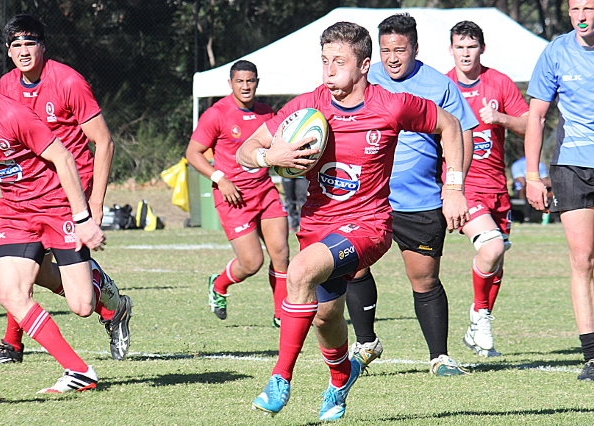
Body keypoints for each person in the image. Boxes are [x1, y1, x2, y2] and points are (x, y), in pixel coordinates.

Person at [236, 22, 467, 420]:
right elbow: (245, 149)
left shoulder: (392, 105)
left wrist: (454, 186)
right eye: (324, 61)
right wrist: (268, 158)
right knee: (325, 317)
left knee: (300, 272)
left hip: (368, 226)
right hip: (317, 226)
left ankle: (280, 379)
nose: (328, 70)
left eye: (338, 62)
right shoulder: (308, 106)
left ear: (364, 65)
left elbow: (449, 125)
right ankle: (341, 377)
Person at [0, 15, 133, 364]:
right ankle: (12, 345)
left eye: (30, 43)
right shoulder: (5, 88)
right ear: (8, 52)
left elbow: (103, 142)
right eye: (16, 44)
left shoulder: (68, 82)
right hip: (28, 194)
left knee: (80, 306)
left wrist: (96, 204)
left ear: (43, 46)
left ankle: (111, 303)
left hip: (68, 193)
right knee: (20, 270)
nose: (24, 51)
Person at [0, 49, 104, 392]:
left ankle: (98, 280)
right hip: (15, 212)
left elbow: (64, 159)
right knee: (10, 294)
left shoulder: (11, 113)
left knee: (82, 306)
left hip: (55, 205)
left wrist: (82, 217)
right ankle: (79, 372)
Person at [345, 13, 477, 376]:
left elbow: (463, 134)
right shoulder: (363, 82)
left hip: (419, 202)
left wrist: (455, 189)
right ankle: (366, 343)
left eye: (399, 50)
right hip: (367, 200)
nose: (391, 58)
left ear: (415, 48)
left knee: (424, 279)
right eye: (385, 50)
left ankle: (440, 357)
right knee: (353, 268)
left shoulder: (439, 85)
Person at [446, 20, 529, 357]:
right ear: (450, 50)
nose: (466, 53)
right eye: (459, 47)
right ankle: (480, 315)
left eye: (471, 47)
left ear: (482, 48)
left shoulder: (499, 82)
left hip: (498, 187)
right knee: (493, 248)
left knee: (496, 257)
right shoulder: (443, 85)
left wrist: (501, 119)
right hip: (464, 188)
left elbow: (528, 124)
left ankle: (477, 323)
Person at [185, 60, 288, 325]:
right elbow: (192, 154)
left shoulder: (268, 114)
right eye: (240, 81)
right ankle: (218, 285)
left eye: (250, 81)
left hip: (264, 191)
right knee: (252, 263)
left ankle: (282, 314)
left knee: (281, 253)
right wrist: (220, 178)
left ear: (257, 82)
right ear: (230, 84)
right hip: (233, 198)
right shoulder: (217, 114)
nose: (245, 86)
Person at [524, 0, 594, 381]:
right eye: (575, 8)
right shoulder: (556, 51)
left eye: (590, 7)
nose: (582, 16)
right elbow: (536, 115)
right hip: (572, 165)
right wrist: (533, 176)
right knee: (582, 259)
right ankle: (592, 356)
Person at [511, 155, 550, 223]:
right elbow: (521, 182)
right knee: (527, 189)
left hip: (539, 188)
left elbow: (544, 180)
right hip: (521, 190)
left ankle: (554, 217)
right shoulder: (517, 164)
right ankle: (527, 218)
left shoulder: (540, 165)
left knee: (552, 192)